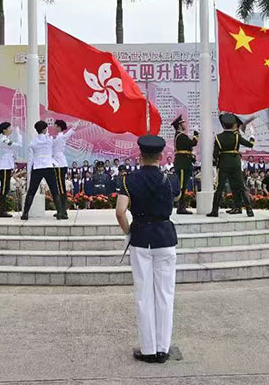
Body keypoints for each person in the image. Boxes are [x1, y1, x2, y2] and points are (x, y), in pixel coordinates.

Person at [115, 135, 178, 364]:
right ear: (160, 157)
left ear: (140, 156)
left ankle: (148, 349)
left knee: (144, 295)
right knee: (165, 294)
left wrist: (128, 232)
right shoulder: (172, 179)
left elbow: (121, 212)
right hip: (165, 238)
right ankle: (163, 348)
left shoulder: (128, 180)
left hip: (141, 238)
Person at [209, 113, 254, 217]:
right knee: (241, 187)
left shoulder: (218, 137)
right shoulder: (237, 136)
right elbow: (250, 144)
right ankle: (249, 210)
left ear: (223, 125)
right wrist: (252, 135)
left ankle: (214, 211)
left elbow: (215, 154)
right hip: (235, 164)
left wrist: (217, 162)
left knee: (219, 188)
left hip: (223, 164)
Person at [22, 120, 65, 220]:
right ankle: (60, 213)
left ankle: (25, 213)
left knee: (31, 191)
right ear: (45, 129)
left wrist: (29, 172)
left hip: (37, 167)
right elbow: (56, 141)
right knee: (54, 191)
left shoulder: (33, 142)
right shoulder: (49, 140)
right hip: (48, 167)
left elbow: (30, 159)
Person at [171, 115, 198, 215]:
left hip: (185, 162)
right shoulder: (180, 136)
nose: (184, 125)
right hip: (182, 163)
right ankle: (180, 207)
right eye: (182, 123)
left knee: (184, 185)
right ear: (179, 125)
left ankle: (181, 206)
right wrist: (196, 134)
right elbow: (192, 143)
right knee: (182, 185)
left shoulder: (180, 135)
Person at [52, 119, 76, 218]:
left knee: (61, 188)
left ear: (59, 127)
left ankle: (63, 212)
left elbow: (67, 135)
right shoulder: (58, 137)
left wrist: (74, 128)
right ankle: (60, 210)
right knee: (58, 188)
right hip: (57, 163)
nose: (54, 127)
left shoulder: (61, 137)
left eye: (55, 125)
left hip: (60, 164)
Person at [0, 122, 21, 218]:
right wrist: (19, 135)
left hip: (8, 165)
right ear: (4, 130)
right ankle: (1, 211)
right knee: (4, 189)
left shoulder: (7, 139)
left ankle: (2, 210)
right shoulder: (4, 139)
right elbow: (18, 145)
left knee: (6, 188)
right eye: (9, 128)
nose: (11, 129)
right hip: (5, 165)